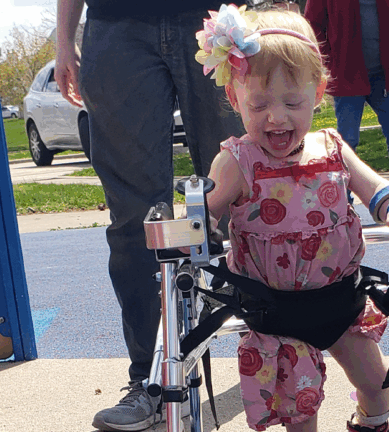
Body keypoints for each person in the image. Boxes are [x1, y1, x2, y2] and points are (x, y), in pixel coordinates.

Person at [196, 6, 389, 431]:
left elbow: (373, 188)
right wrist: (190, 229)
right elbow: (206, 215)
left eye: (292, 101)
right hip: (276, 313)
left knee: (377, 382)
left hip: (340, 300)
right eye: (259, 104)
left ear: (318, 92)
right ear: (235, 98)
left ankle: (369, 424)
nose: (276, 117)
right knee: (299, 413)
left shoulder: (331, 146)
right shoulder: (237, 160)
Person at [54, 0, 246, 430]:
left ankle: (274, 342)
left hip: (212, 17)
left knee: (246, 189)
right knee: (135, 218)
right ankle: (151, 378)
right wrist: (64, 38)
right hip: (116, 24)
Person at [304, 0, 389, 177]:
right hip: (347, 76)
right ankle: (343, 200)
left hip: (385, 75)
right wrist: (329, 60)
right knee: (347, 142)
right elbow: (312, 25)